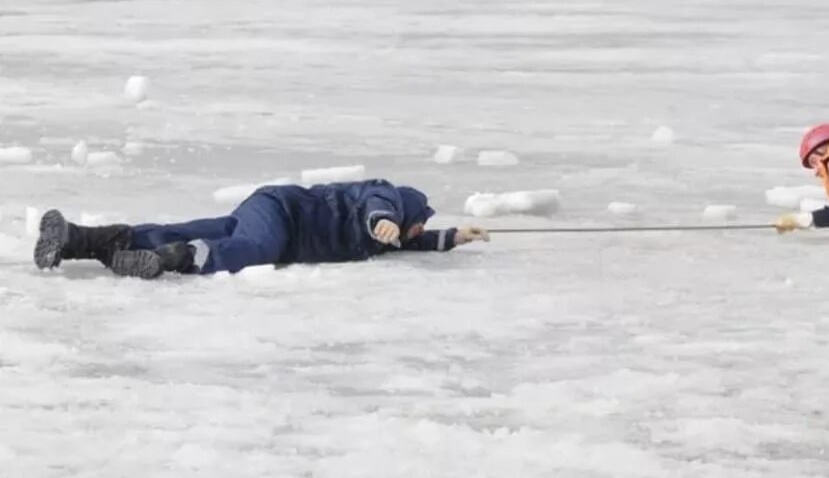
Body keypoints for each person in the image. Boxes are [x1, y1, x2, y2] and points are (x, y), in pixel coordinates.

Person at [33, 179, 490, 279]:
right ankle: (183, 258)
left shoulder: (398, 236)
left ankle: (82, 238)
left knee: (193, 226)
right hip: (284, 212)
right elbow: (378, 208)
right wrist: (383, 222)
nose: (414, 235)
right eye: (415, 227)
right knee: (256, 246)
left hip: (268, 207)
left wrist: (456, 236)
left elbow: (415, 240)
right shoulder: (387, 198)